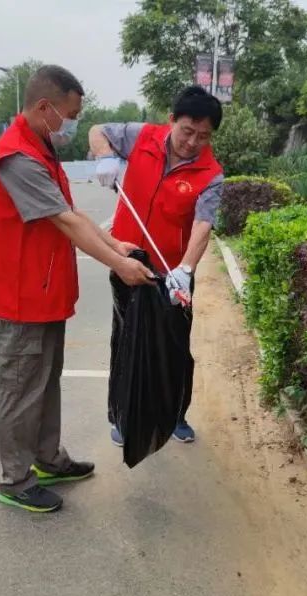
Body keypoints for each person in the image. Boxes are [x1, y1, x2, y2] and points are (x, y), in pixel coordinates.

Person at [0, 65, 153, 513]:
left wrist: (115, 242)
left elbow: (70, 211)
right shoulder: (15, 156)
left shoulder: (41, 150)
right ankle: (15, 479)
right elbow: (66, 222)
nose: (72, 124)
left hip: (44, 292)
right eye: (70, 115)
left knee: (44, 381)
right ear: (43, 108)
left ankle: (47, 458)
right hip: (20, 297)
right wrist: (118, 264)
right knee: (19, 388)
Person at [89, 86, 224, 446]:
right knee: (126, 340)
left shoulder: (211, 173)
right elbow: (97, 130)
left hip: (173, 272)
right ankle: (123, 414)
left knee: (174, 345)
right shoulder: (142, 137)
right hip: (127, 260)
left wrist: (186, 269)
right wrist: (105, 156)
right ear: (172, 121)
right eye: (187, 131)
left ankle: (175, 414)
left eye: (203, 136)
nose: (193, 141)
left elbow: (202, 225)